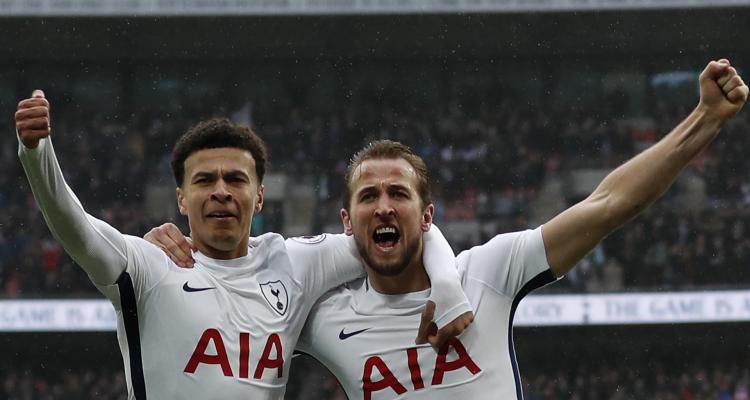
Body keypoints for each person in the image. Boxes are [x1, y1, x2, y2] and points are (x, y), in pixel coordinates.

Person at [149, 59, 748, 399]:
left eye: (399, 194)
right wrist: (168, 255)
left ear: (428, 214)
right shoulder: (321, 316)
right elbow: (235, 297)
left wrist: (704, 118)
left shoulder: (489, 272)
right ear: (347, 223)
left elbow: (609, 203)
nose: (384, 206)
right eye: (368, 196)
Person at [14, 98, 473, 400]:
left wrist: (447, 285)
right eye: (204, 180)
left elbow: (401, 230)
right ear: (181, 199)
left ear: (259, 196)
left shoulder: (295, 263)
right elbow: (76, 228)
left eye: (236, 179)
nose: (221, 191)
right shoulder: (150, 267)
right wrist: (36, 154)